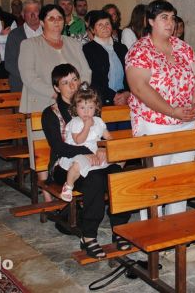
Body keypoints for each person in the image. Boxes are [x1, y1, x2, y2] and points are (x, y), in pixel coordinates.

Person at [126, 0, 195, 217]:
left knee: (181, 178)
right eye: (163, 17)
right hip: (155, 123)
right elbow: (139, 88)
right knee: (156, 181)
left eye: (172, 17)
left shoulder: (183, 47)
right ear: (150, 21)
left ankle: (176, 225)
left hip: (185, 121)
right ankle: (153, 229)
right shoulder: (141, 50)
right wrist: (171, 111)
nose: (170, 23)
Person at [42, 64, 131, 257]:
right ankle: (89, 236)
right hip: (65, 166)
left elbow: (99, 134)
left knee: (117, 175)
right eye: (65, 82)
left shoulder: (89, 105)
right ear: (57, 88)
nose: (72, 85)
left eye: (74, 79)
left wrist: (101, 149)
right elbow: (58, 147)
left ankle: (120, 230)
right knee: (96, 180)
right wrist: (88, 151)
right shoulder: (51, 113)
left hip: (93, 161)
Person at [18, 4, 92, 114]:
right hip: (42, 102)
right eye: (51, 18)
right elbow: (28, 77)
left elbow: (86, 72)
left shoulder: (74, 44)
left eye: (60, 18)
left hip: (73, 103)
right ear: (42, 22)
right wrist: (56, 93)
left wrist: (79, 92)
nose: (56, 21)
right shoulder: (29, 45)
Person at [58, 84, 112, 201]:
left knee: (117, 158)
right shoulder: (75, 123)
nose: (86, 112)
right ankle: (68, 186)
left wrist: (104, 148)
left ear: (96, 107)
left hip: (95, 154)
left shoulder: (98, 121)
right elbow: (78, 141)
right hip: (78, 154)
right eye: (82, 108)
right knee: (76, 166)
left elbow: (108, 137)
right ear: (75, 108)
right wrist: (86, 127)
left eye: (90, 108)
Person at [81, 10, 130, 108]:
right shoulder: (87, 49)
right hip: (101, 100)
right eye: (100, 25)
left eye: (107, 24)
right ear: (92, 29)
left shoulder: (121, 48)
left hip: (125, 99)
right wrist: (113, 96)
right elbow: (93, 79)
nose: (105, 27)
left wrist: (127, 93)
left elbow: (130, 72)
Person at [4, 0, 42, 92]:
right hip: (21, 85)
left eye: (36, 11)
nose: (33, 15)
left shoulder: (48, 33)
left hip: (45, 83)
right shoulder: (14, 35)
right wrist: (31, 78)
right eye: (29, 12)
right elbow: (10, 64)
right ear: (23, 14)